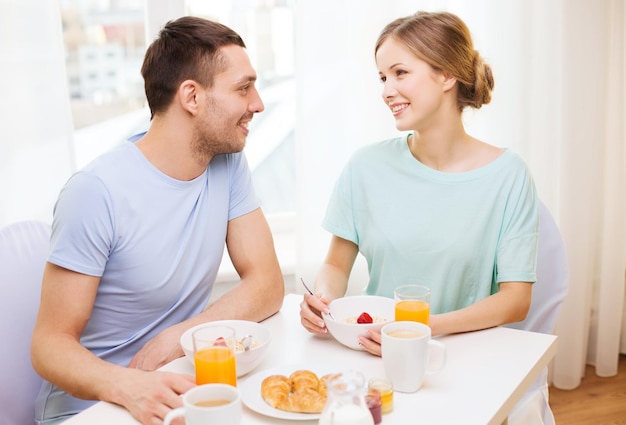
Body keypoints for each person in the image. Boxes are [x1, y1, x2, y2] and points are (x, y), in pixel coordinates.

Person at [31, 16, 284, 425]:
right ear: (192, 97)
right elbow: (49, 346)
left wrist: (178, 339)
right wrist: (129, 386)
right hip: (94, 407)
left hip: (177, 385)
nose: (257, 103)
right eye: (243, 88)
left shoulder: (229, 163)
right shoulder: (96, 191)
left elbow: (268, 284)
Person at [300, 11, 538, 352]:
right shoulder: (365, 167)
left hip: (458, 353)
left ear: (446, 75)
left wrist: (424, 328)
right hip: (372, 349)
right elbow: (336, 264)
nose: (386, 91)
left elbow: (516, 300)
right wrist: (323, 301)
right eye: (382, 77)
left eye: (400, 73)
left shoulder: (508, 176)